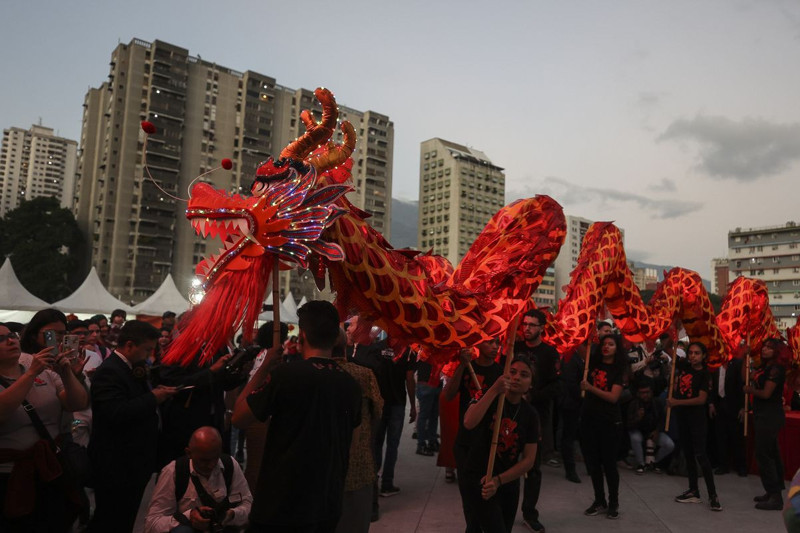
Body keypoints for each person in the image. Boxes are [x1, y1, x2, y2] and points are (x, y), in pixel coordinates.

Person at [231, 300, 361, 532]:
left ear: (301, 337)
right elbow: (350, 442)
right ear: (335, 339)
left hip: (282, 505)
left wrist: (263, 369)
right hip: (326, 504)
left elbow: (239, 418)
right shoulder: (350, 384)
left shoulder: (285, 376)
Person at [88, 320, 179, 533]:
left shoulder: (131, 367)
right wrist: (153, 398)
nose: (148, 355)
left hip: (133, 462)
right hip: (116, 463)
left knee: (125, 516)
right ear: (129, 345)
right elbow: (114, 412)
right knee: (111, 519)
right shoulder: (110, 371)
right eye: (146, 349)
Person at [0, 319, 89, 532]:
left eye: (12, 335)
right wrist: (31, 375)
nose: (10, 341)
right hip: (9, 474)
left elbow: (77, 403)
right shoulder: (35, 369)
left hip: (49, 467)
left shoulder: (42, 369)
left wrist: (67, 372)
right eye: (1, 339)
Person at [459, 357, 539, 533]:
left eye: (524, 375)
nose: (517, 377)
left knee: (477, 527)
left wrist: (499, 480)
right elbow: (469, 422)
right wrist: (494, 390)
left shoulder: (530, 414)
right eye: (512, 372)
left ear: (530, 384)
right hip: (479, 478)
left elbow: (529, 460)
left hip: (507, 482)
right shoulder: (486, 394)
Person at [145, 426, 252, 533]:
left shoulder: (230, 465)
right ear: (189, 453)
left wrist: (232, 514)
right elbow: (152, 523)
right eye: (204, 461)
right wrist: (188, 517)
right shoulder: (173, 472)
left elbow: (249, 506)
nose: (211, 465)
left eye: (216, 458)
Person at [443, 339, 502, 532]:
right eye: (491, 343)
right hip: (466, 441)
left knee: (488, 496)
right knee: (468, 495)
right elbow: (449, 395)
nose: (495, 347)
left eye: (498, 344)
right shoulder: (467, 368)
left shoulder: (501, 373)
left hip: (491, 443)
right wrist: (461, 365)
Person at [332, 329, 383, 533]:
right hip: (358, 465)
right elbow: (378, 410)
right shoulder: (363, 374)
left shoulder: (308, 373)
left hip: (321, 466)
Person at [514, 309, 558, 533]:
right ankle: (505, 509)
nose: (527, 328)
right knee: (509, 464)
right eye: (525, 324)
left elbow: (555, 386)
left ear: (542, 327)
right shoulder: (515, 348)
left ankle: (530, 513)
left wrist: (533, 395)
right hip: (512, 415)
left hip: (537, 417)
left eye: (532, 325)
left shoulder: (550, 353)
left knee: (532, 467)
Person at [667, 341, 721, 511]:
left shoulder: (705, 374)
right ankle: (693, 490)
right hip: (682, 417)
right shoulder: (684, 367)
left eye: (697, 353)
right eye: (691, 353)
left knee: (701, 456)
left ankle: (713, 495)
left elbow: (701, 399)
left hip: (697, 419)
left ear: (703, 356)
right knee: (688, 454)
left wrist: (677, 402)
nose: (693, 356)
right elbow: (671, 354)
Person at [580, 333, 626, 519]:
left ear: (617, 348)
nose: (606, 347)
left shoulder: (619, 370)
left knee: (609, 465)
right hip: (589, 420)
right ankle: (599, 500)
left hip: (609, 423)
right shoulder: (593, 363)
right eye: (604, 344)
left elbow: (613, 397)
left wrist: (590, 388)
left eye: (611, 344)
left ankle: (613, 502)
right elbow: (577, 347)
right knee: (593, 464)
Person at [745, 337, 789, 511]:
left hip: (770, 416)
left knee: (764, 454)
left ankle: (775, 496)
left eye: (769, 348)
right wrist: (747, 357)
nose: (764, 349)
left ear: (776, 352)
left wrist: (751, 390)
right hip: (763, 414)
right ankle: (772, 491)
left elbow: (766, 394)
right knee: (771, 452)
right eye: (764, 346)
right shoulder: (765, 367)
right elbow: (747, 377)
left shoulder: (776, 369)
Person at [709, 346, 746, 476]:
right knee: (720, 436)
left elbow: (742, 386)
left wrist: (743, 407)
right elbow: (712, 387)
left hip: (734, 405)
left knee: (736, 437)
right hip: (719, 404)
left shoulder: (737, 364)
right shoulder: (714, 365)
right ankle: (723, 465)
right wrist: (711, 403)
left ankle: (740, 466)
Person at [627, 380, 674, 474]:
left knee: (669, 445)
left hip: (653, 431)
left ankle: (653, 462)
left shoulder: (657, 403)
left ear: (651, 392)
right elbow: (628, 425)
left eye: (647, 392)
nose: (645, 395)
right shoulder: (633, 404)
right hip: (638, 431)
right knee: (635, 437)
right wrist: (638, 418)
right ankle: (641, 463)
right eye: (642, 393)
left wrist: (657, 431)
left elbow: (662, 420)